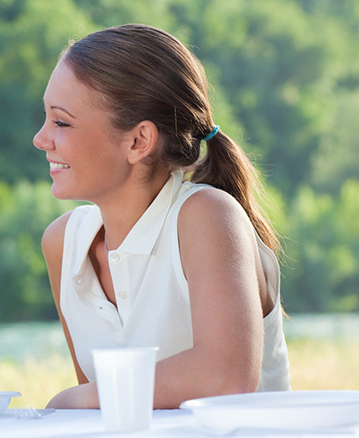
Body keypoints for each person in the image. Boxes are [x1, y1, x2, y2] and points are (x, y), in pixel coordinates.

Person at [33, 24, 291, 409]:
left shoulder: (206, 216)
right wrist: (81, 403)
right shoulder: (62, 244)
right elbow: (106, 413)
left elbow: (225, 376)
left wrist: (65, 402)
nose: (41, 138)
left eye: (61, 122)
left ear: (138, 141)